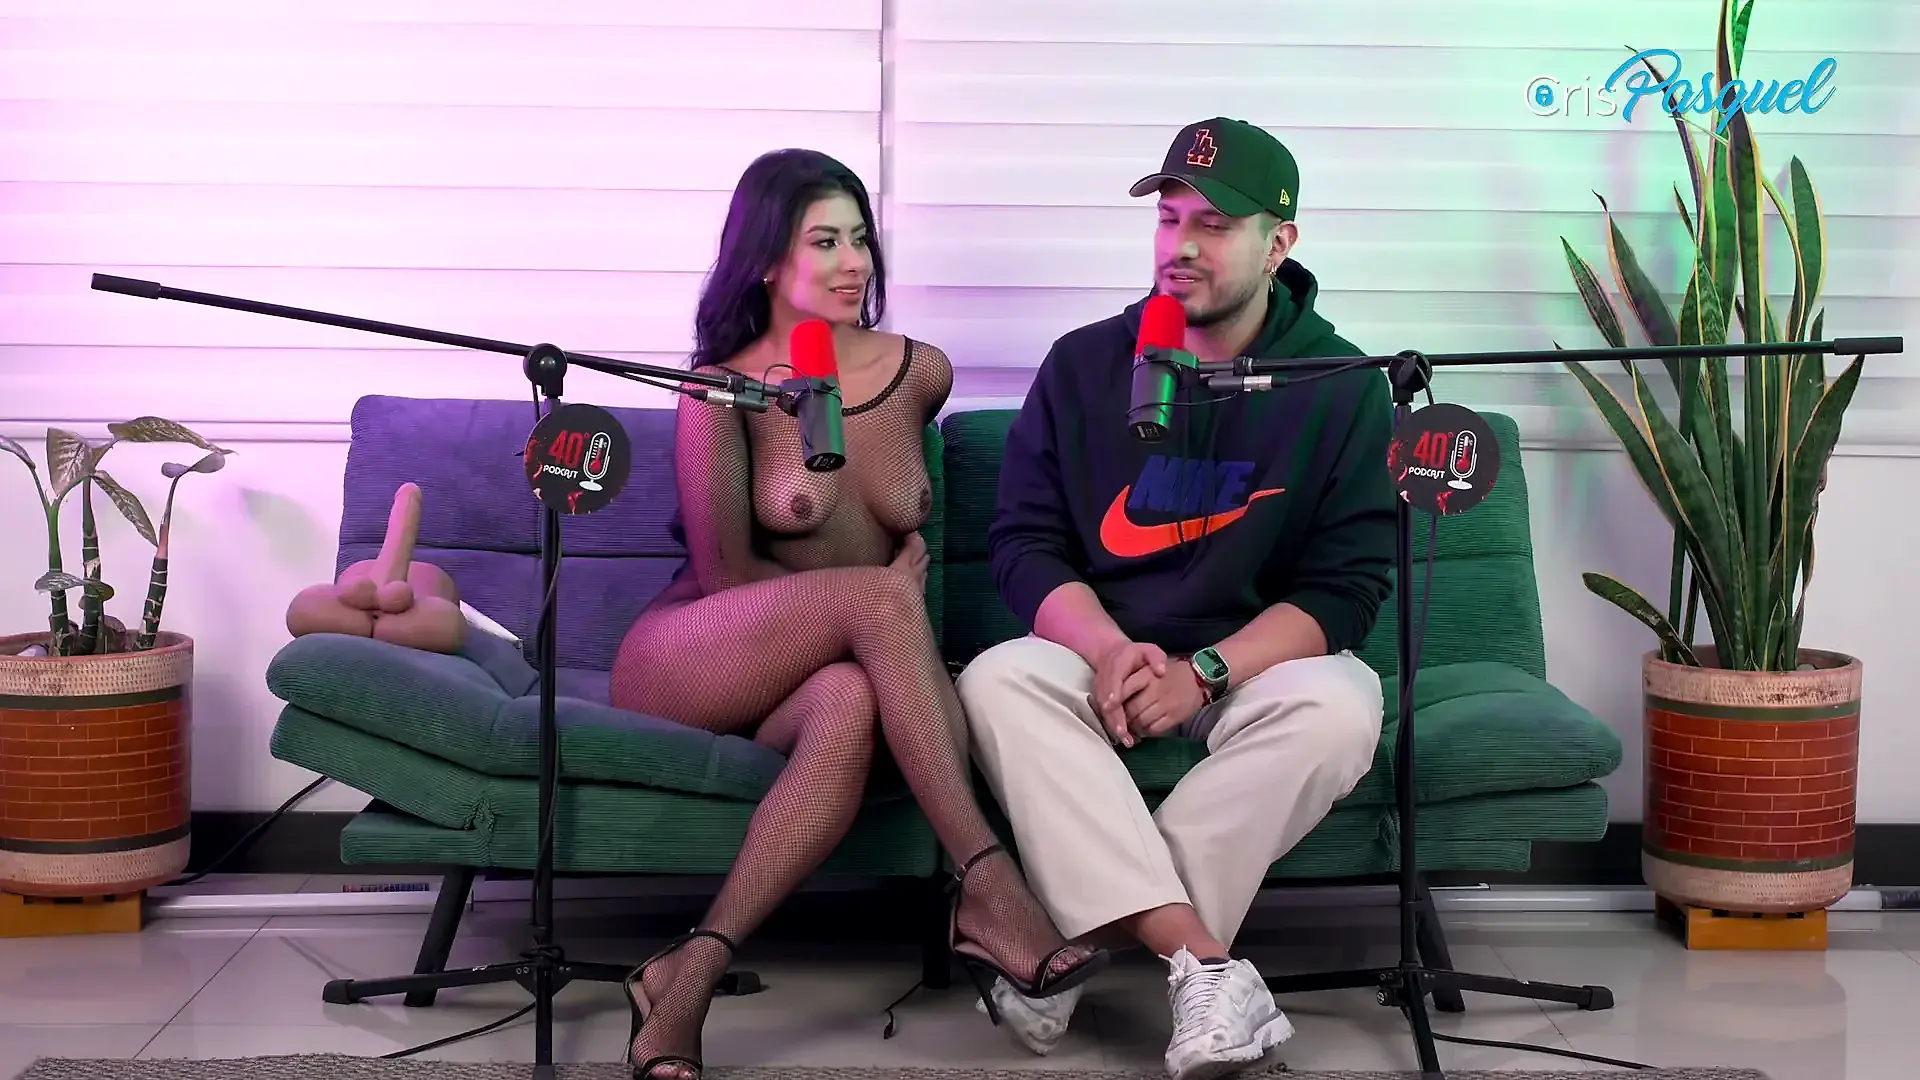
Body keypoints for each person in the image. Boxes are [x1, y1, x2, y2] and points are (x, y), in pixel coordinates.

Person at [605, 148, 1109, 1080]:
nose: (854, 263)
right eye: (824, 241)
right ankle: (989, 887)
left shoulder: (920, 373)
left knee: (849, 701)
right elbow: (725, 576)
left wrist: (869, 616)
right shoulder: (721, 389)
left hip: (832, 670)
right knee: (880, 597)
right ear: (766, 260)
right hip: (694, 653)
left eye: (861, 239)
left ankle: (687, 977)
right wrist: (869, 601)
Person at [953, 118, 1396, 1079]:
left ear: (1278, 243)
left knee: (1343, 704)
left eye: (1214, 224)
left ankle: (1061, 954)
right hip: (1103, 665)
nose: (1180, 245)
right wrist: (1111, 652)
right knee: (996, 678)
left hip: (1248, 671)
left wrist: (1206, 672)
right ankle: (1208, 967)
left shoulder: (1343, 383)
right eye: (1168, 218)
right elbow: (1023, 545)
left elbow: (1346, 589)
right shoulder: (1083, 364)